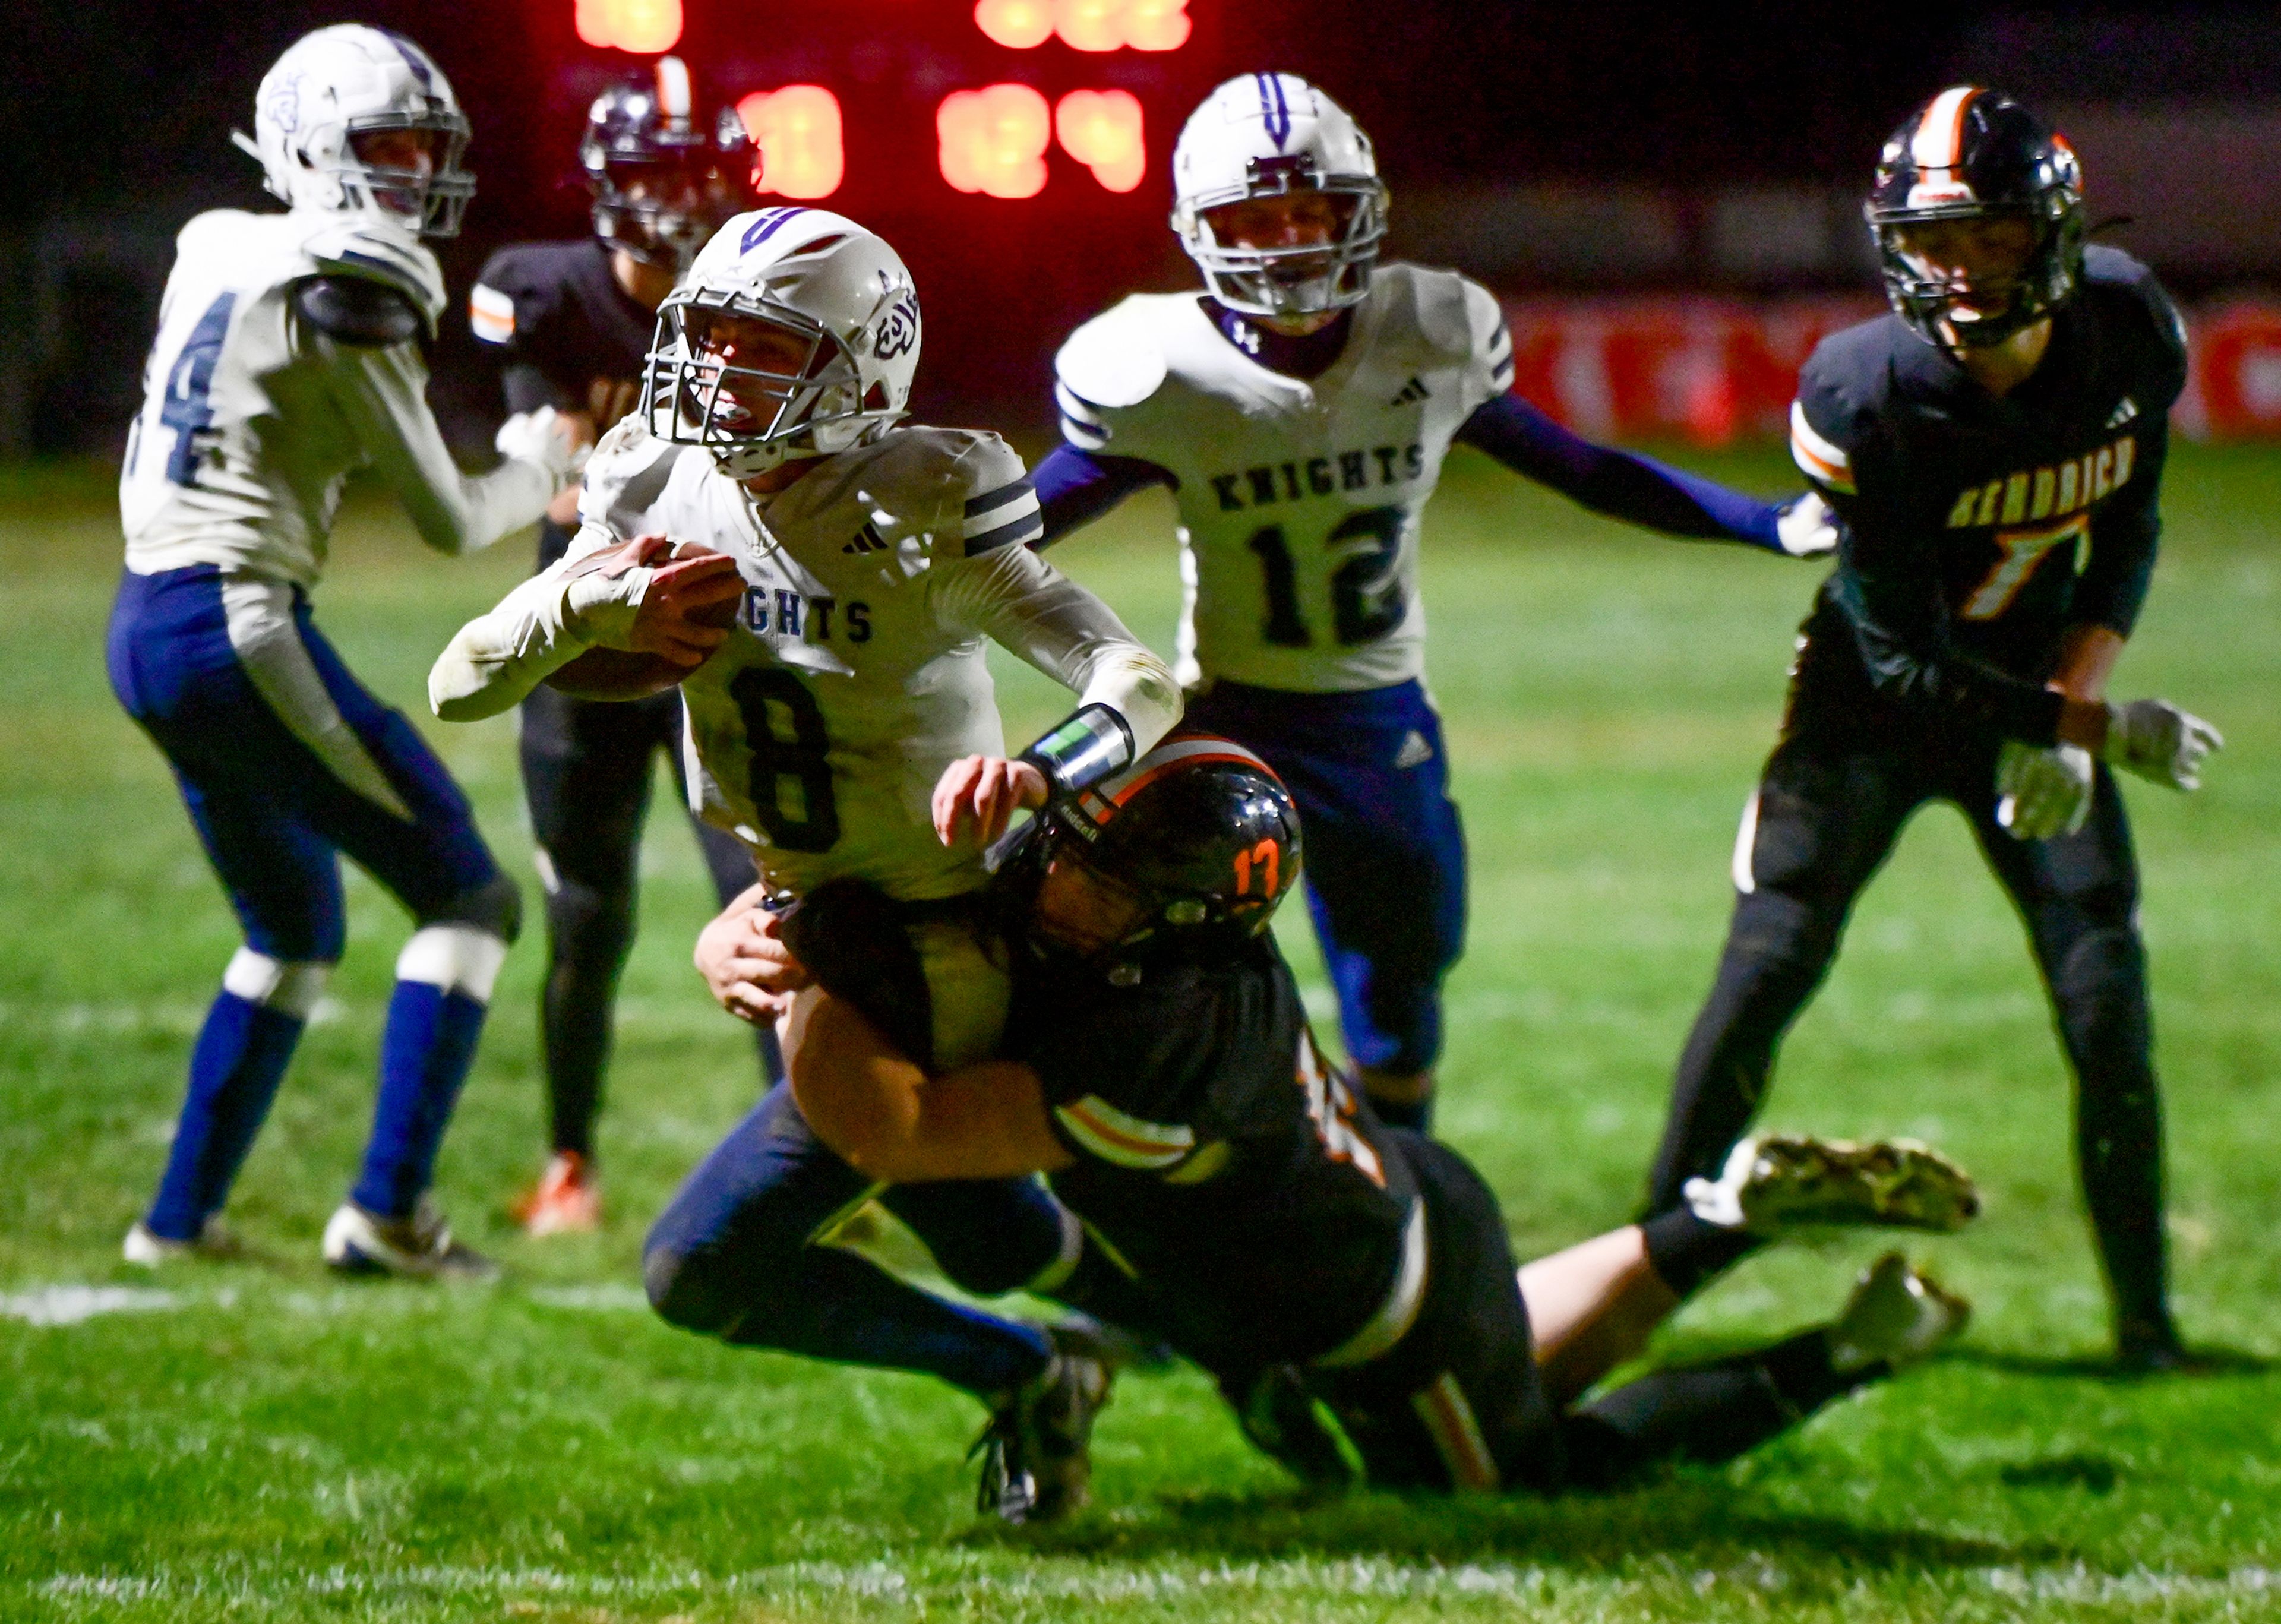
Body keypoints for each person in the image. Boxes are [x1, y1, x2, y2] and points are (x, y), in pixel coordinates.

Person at [776, 738, 1975, 1515]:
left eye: (1104, 885)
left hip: (1382, 1314)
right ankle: (1720, 1215)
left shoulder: (1162, 1050)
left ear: (1182, 924)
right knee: (1515, 1364)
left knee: (1531, 1476)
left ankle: (1850, 1343)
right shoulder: (1174, 967)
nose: (1055, 883)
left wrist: (798, 966)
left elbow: (902, 1132)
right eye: (1074, 851)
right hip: (1405, 1222)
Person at [427, 206, 1183, 1436]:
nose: (719, 370)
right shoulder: (653, 476)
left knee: (713, 1260)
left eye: (764, 345)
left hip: (951, 933)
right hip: (809, 920)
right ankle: (1126, 1345)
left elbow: (1138, 680)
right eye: (708, 335)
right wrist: (577, 613)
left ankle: (1118, 1348)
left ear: (860, 362)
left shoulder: (923, 496)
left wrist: (1044, 770)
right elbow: (460, 680)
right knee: (985, 1229)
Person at [1032, 74, 1838, 1133]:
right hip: (1226, 715)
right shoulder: (1160, 368)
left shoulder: (1428, 331)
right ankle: (1168, 1184)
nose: (1286, 242)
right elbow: (1019, 530)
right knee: (1148, 967)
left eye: (1310, 212)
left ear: (1359, 212)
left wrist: (1763, 522)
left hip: (1372, 718)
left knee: (1402, 986)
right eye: (1257, 218)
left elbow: (1584, 469)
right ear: (1199, 230)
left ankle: (1400, 1190)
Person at [1640, 88, 2223, 1372]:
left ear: (2055, 233)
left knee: (2105, 995)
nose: (1961, 273)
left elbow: (2127, 525)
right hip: (1867, 709)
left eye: (1994, 239)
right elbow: (1903, 654)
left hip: (2033, 692)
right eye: (1935, 242)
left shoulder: (2127, 325)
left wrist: (2071, 706)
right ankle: (1631, 1272)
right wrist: (2086, 721)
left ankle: (2149, 1329)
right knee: (1768, 967)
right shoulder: (1865, 389)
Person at [109, 25, 581, 1278]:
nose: (413, 173)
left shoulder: (216, 241)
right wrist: (539, 459)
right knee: (468, 896)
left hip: (143, 621)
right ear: (313, 148)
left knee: (292, 928)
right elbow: (449, 518)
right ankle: (386, 1212)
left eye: (427, 147)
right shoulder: (352, 277)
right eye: (387, 145)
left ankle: (173, 1222)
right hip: (234, 619)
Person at [468, 57, 768, 1235]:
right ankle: (569, 1162)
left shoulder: (766, 292)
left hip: (723, 648)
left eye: (709, 175)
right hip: (589, 649)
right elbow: (547, 482)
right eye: (668, 174)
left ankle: (817, 1156)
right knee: (588, 917)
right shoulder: (542, 293)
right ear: (611, 185)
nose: (693, 200)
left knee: (767, 905)